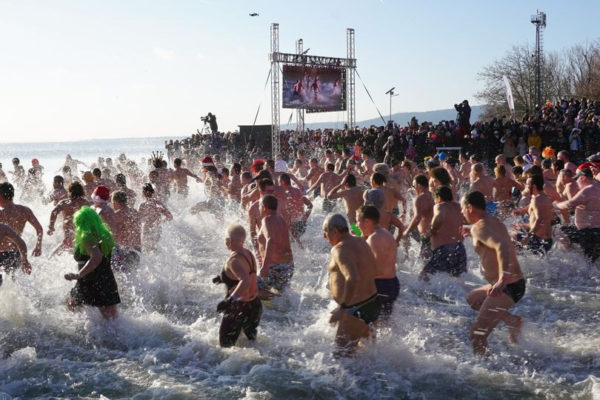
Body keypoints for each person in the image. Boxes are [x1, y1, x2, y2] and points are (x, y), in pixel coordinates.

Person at [463, 191, 525, 355]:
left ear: (470, 208)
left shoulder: (479, 228)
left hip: (506, 285)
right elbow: (503, 242)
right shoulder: (493, 221)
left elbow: (501, 247)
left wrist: (502, 279)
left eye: (462, 209)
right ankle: (511, 321)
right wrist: (472, 233)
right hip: (515, 283)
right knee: (473, 299)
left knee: (477, 336)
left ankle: (488, 374)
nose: (462, 213)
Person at [323, 214, 380, 355]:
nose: (325, 237)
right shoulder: (362, 242)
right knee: (366, 355)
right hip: (372, 302)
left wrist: (343, 308)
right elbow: (374, 270)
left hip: (355, 308)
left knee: (341, 358)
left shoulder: (340, 249)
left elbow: (353, 278)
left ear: (335, 231)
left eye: (326, 232)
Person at [64, 206, 120, 320]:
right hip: (107, 279)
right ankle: (126, 337)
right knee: (112, 320)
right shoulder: (105, 235)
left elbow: (96, 257)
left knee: (72, 305)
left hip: (91, 281)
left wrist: (78, 274)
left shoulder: (87, 237)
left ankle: (80, 335)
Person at [214, 224, 262, 347]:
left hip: (238, 308)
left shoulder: (233, 260)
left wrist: (230, 300)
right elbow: (248, 273)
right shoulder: (249, 254)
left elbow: (244, 280)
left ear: (229, 240)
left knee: (224, 348)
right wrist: (223, 278)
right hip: (254, 306)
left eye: (225, 239)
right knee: (251, 344)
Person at [356, 205, 399, 319]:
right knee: (380, 325)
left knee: (362, 322)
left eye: (357, 221)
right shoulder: (383, 232)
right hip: (391, 284)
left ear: (367, 222)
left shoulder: (374, 239)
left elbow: (377, 270)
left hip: (381, 286)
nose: (356, 225)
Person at [555, 165, 600, 262]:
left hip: (588, 232)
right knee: (593, 260)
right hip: (595, 231)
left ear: (583, 178)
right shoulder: (597, 187)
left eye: (577, 179)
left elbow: (570, 204)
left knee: (559, 232)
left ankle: (572, 259)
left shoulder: (588, 189)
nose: (576, 182)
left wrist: (556, 205)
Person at [422, 186, 467, 278]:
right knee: (455, 279)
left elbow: (439, 217)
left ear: (439, 197)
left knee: (424, 277)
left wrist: (432, 231)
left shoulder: (439, 206)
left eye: (435, 198)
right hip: (460, 248)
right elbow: (467, 220)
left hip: (444, 250)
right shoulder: (459, 206)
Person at [257, 195, 294, 295]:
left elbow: (271, 240)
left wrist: (265, 267)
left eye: (259, 205)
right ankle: (286, 309)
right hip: (288, 266)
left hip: (275, 267)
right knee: (280, 294)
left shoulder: (266, 220)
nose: (258, 208)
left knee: (253, 287)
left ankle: (268, 310)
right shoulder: (281, 219)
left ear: (264, 207)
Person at [513, 174, 554, 255]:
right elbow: (532, 207)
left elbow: (540, 218)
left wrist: (529, 236)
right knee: (513, 237)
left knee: (511, 243)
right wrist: (521, 211)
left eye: (528, 184)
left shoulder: (537, 200)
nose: (526, 186)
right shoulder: (540, 197)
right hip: (544, 239)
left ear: (534, 186)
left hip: (539, 240)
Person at [0, 182, 43, 259]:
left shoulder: (2, 213)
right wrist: (38, 246)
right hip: (18, 253)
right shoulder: (25, 210)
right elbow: (39, 229)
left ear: (1, 196)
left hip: (2, 254)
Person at [48, 182, 90, 257]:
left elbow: (54, 212)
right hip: (83, 236)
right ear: (82, 191)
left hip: (68, 236)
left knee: (52, 256)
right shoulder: (87, 203)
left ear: (69, 191)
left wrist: (51, 227)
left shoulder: (64, 203)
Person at [402, 175, 434, 259]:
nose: (413, 188)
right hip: (432, 233)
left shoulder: (420, 198)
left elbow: (417, 217)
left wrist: (407, 232)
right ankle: (406, 257)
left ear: (419, 185)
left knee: (425, 266)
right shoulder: (433, 195)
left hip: (426, 236)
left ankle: (406, 257)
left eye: (414, 185)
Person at [279, 173, 313, 248]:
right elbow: (310, 205)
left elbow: (286, 215)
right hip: (302, 224)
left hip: (293, 226)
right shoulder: (298, 191)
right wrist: (305, 217)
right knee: (299, 247)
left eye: (279, 183)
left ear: (282, 182)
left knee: (295, 247)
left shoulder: (286, 194)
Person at [111, 191, 142, 271]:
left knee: (121, 278)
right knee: (134, 276)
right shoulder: (135, 212)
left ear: (115, 202)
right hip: (137, 249)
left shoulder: (118, 214)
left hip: (124, 250)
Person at [138, 183, 173, 252]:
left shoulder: (143, 205)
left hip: (147, 229)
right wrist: (161, 221)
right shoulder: (158, 203)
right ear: (152, 192)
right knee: (155, 249)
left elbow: (139, 220)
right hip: (157, 228)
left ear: (143, 193)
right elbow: (170, 216)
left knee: (147, 250)